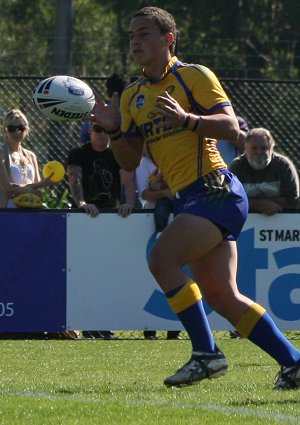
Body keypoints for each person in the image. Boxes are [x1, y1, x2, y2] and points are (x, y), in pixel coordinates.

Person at [93, 6, 300, 390]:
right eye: (131, 36)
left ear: (168, 40)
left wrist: (188, 120)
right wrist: (114, 132)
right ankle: (294, 362)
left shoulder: (194, 76)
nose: (135, 41)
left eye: (144, 34)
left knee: (161, 258)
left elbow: (234, 129)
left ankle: (206, 353)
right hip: (191, 198)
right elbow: (129, 159)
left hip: (216, 187)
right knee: (223, 296)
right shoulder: (132, 96)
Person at [67, 119, 136, 339]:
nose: (102, 134)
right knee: (85, 271)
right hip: (84, 218)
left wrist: (129, 204)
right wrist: (82, 204)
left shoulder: (117, 153)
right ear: (90, 130)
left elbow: (127, 181)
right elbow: (74, 180)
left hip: (110, 218)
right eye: (97, 129)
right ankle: (86, 325)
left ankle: (105, 324)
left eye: (107, 130)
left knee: (109, 270)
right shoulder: (78, 154)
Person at [136, 152, 181, 340]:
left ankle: (175, 329)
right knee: (154, 276)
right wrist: (164, 190)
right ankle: (150, 329)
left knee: (179, 276)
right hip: (158, 209)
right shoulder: (146, 164)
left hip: (178, 210)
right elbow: (147, 191)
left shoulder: (178, 158)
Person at [230, 127, 299, 215]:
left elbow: (293, 200)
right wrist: (259, 205)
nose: (258, 152)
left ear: (271, 148)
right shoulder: (237, 166)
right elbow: (231, 200)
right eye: (254, 148)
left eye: (263, 148)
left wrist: (258, 204)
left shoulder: (284, 166)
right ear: (246, 148)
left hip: (280, 222)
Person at [0, 109, 56, 207]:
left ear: (26, 130)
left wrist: (32, 188)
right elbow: (8, 189)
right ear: (5, 130)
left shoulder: (31, 156)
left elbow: (40, 191)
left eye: (21, 128)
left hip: (31, 209)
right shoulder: (2, 153)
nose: (17, 132)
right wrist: (38, 185)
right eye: (12, 128)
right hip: (8, 212)